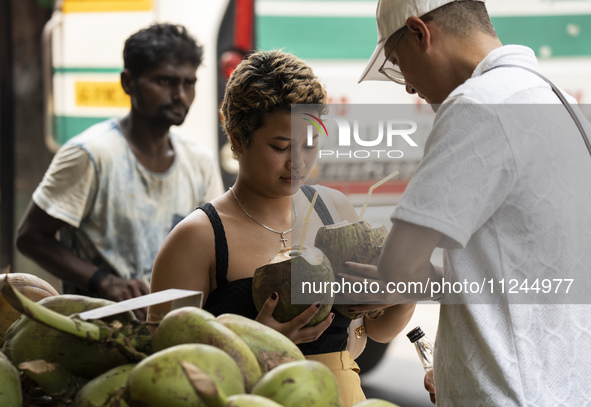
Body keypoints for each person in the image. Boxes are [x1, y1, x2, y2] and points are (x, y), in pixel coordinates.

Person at [354, 0, 591, 406]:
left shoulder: (478, 102)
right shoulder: (561, 103)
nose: (408, 85)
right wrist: (456, 365)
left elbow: (397, 267)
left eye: (397, 62)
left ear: (419, 33)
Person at [148, 50, 415, 406]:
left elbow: (373, 332)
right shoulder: (198, 238)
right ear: (238, 138)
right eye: (281, 146)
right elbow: (161, 371)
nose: (299, 162)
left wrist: (401, 294)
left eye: (311, 144)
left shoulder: (334, 211)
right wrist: (254, 345)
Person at [15, 23, 224, 318]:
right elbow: (31, 237)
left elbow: (211, 248)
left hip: (173, 329)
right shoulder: (91, 154)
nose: (180, 95)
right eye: (165, 81)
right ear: (128, 83)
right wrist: (103, 281)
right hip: (95, 331)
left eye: (189, 83)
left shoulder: (199, 160)